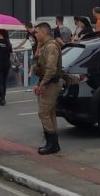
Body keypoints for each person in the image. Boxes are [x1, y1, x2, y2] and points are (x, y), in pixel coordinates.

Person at [33, 22, 63, 155]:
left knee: (44, 112)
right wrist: (38, 45)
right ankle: (52, 143)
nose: (35, 34)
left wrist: (42, 84)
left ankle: (52, 143)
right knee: (49, 113)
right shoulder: (44, 46)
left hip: (50, 83)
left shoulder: (51, 47)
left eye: (37, 32)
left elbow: (51, 69)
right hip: (47, 82)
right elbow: (37, 62)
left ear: (44, 32)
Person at [0, 29, 12, 106]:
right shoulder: (8, 42)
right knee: (4, 81)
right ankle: (3, 97)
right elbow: (10, 52)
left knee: (0, 82)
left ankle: (2, 99)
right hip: (7, 64)